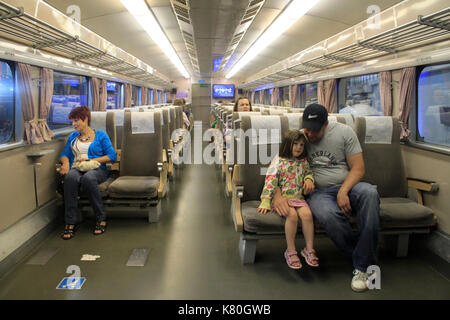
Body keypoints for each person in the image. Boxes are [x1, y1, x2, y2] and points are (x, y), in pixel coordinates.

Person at [272, 103, 380, 292]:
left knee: (370, 193)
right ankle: (365, 264)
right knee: (328, 215)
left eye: (314, 130)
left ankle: (362, 265)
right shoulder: (299, 138)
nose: (309, 135)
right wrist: (278, 195)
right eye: (307, 128)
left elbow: (358, 168)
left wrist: (343, 191)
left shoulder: (345, 133)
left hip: (348, 185)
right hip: (318, 192)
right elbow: (276, 168)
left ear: (326, 125)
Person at [257, 130, 318, 269]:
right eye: (295, 144)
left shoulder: (303, 162)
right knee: (292, 216)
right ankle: (290, 250)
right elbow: (270, 180)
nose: (298, 147)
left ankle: (309, 249)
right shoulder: (279, 161)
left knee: (307, 215)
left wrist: (309, 179)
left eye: (302, 145)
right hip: (282, 198)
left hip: (298, 198)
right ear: (287, 145)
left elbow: (308, 173)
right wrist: (266, 200)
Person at [59, 106, 117, 240]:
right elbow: (65, 154)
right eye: (72, 122)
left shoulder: (101, 135)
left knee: (88, 178)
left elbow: (112, 155)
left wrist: (91, 159)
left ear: (85, 120)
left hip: (98, 169)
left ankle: (100, 217)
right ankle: (70, 221)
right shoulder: (73, 136)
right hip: (78, 167)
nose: (73, 125)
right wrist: (66, 163)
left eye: (76, 121)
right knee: (70, 178)